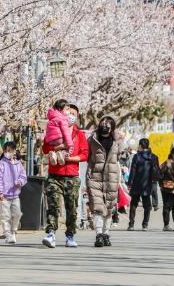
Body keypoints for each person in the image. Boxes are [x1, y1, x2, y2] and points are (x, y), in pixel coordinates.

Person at [42, 104, 88, 248]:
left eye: (73, 113)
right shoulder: (53, 129)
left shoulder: (79, 134)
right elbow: (45, 148)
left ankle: (70, 235)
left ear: (77, 116)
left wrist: (69, 159)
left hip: (72, 176)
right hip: (55, 174)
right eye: (68, 112)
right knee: (53, 205)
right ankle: (50, 234)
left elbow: (85, 154)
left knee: (71, 208)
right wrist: (59, 147)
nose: (70, 115)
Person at [86, 116, 120, 247]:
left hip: (111, 177)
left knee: (109, 207)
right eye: (102, 122)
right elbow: (87, 155)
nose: (104, 124)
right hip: (95, 176)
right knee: (98, 207)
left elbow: (120, 155)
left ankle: (106, 233)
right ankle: (99, 235)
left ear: (112, 126)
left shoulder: (117, 141)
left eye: (107, 123)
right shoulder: (92, 139)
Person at [0, 141, 27, 244]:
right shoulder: (1, 164)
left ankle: (13, 230)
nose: (7, 152)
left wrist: (20, 182)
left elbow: (23, 176)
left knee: (17, 214)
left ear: (14, 151)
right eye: (6, 150)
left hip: (15, 195)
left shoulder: (18, 164)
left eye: (9, 150)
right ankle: (7, 233)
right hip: (4, 195)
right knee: (5, 216)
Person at [126, 138, 159, 231]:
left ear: (140, 145)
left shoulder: (136, 156)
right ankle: (145, 225)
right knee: (147, 205)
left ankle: (131, 225)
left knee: (133, 204)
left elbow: (132, 171)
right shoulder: (153, 157)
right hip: (148, 184)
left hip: (136, 183)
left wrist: (129, 183)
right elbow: (156, 172)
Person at [44, 99, 74, 166]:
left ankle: (54, 155)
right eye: (67, 109)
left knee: (57, 151)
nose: (68, 112)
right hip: (59, 139)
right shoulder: (62, 119)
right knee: (67, 150)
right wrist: (70, 144)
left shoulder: (51, 119)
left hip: (51, 141)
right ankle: (61, 155)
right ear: (60, 109)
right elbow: (66, 132)